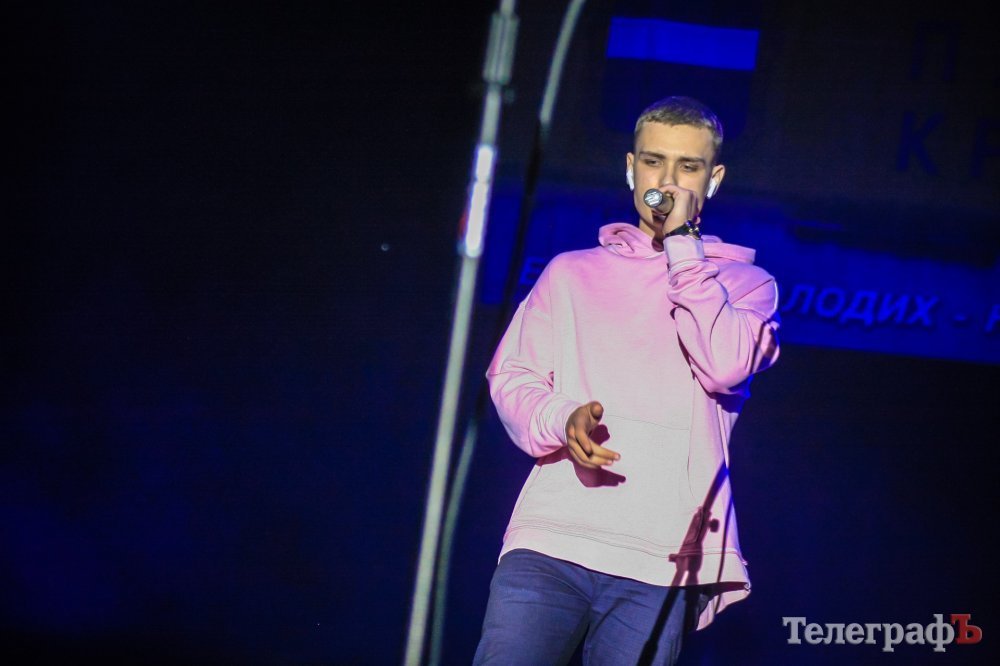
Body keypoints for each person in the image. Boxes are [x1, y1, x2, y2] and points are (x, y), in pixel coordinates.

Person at [471, 96, 781, 665]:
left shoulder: (745, 285)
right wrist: (561, 418)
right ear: (631, 168)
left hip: (661, 557)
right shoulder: (570, 273)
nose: (668, 181)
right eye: (654, 161)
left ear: (713, 180)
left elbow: (726, 365)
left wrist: (684, 248)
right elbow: (512, 375)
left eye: (688, 167)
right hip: (552, 537)